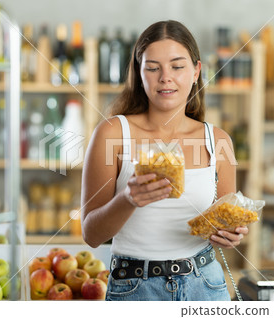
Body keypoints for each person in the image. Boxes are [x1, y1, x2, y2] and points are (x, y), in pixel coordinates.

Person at [81, 20, 248, 301]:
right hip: (135, 288)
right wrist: (129, 199)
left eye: (177, 66)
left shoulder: (218, 141)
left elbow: (225, 219)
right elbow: (91, 234)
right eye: (153, 67)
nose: (165, 77)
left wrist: (231, 234)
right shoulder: (112, 132)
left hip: (206, 286)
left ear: (196, 71)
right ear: (139, 73)